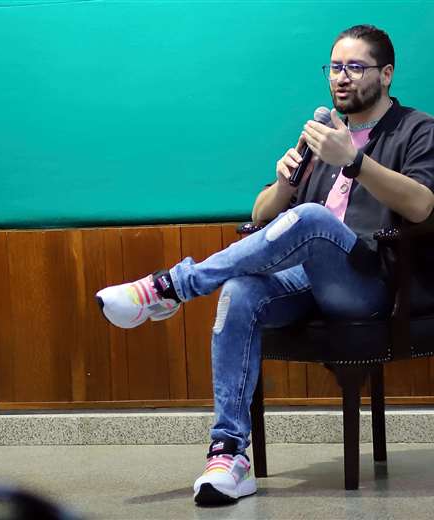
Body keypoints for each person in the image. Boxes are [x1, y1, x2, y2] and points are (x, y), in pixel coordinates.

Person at [96, 25, 434, 506]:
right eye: (334, 67)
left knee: (314, 220)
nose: (341, 78)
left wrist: (354, 161)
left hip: (373, 282)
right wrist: (283, 184)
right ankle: (229, 456)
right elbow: (260, 215)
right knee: (241, 291)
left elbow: (422, 205)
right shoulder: (321, 135)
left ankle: (171, 286)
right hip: (310, 277)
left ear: (387, 73)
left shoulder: (418, 129)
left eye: (355, 67)